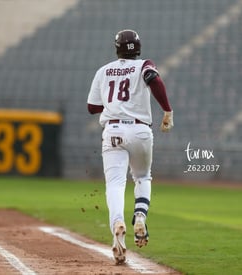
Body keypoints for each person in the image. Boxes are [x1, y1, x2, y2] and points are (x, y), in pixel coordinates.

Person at [87, 29, 173, 264]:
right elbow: (153, 80)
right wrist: (167, 109)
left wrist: (114, 104)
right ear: (139, 47)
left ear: (117, 48)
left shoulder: (104, 71)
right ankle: (140, 215)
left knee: (115, 183)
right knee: (143, 177)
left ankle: (117, 223)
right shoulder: (145, 64)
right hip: (140, 130)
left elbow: (92, 107)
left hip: (113, 130)